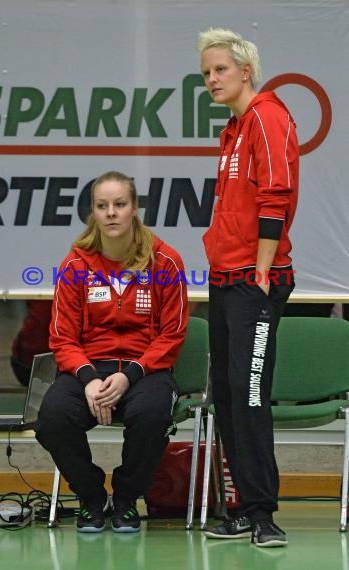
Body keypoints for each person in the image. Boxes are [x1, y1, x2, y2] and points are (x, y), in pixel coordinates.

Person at [35, 171, 189, 533]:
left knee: (151, 417)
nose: (112, 213)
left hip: (146, 371)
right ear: (93, 212)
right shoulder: (75, 265)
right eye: (102, 206)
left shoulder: (165, 262)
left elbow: (172, 334)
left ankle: (125, 500)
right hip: (87, 370)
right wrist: (88, 378)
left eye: (120, 204)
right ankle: (91, 498)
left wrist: (130, 375)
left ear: (134, 208)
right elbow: (62, 337)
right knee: (52, 418)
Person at [197, 28, 299, 547]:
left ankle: (263, 514)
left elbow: (275, 197)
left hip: (255, 282)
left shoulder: (268, 116)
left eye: (220, 70)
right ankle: (241, 509)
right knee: (230, 396)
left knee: (251, 394)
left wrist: (261, 270)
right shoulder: (234, 128)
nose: (212, 79)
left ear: (246, 70)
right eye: (206, 72)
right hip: (225, 279)